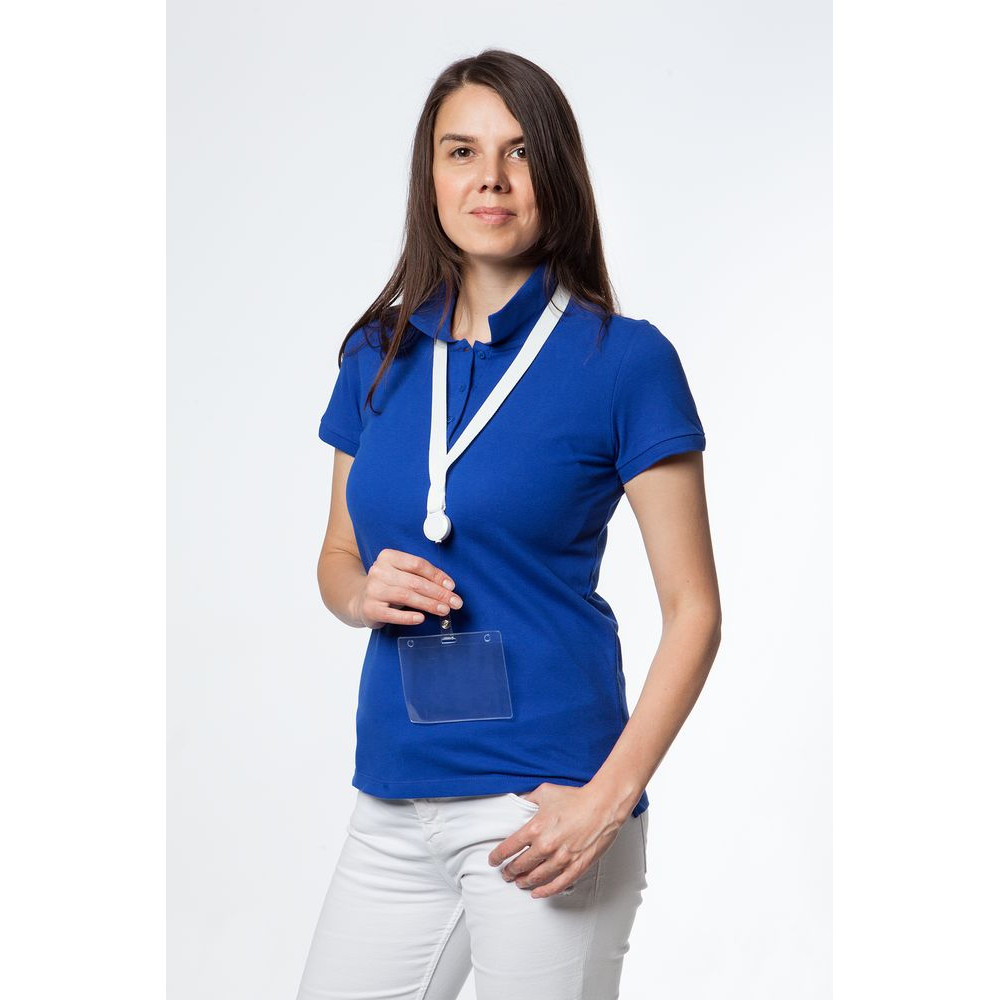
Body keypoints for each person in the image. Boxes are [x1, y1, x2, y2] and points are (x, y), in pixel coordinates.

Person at [297, 49, 722, 1000]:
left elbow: (694, 611)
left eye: (519, 151)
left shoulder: (624, 361)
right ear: (430, 177)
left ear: (555, 174)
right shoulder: (378, 353)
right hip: (393, 799)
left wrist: (606, 802)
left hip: (543, 805)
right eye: (462, 151)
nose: (488, 176)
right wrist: (360, 595)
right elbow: (337, 556)